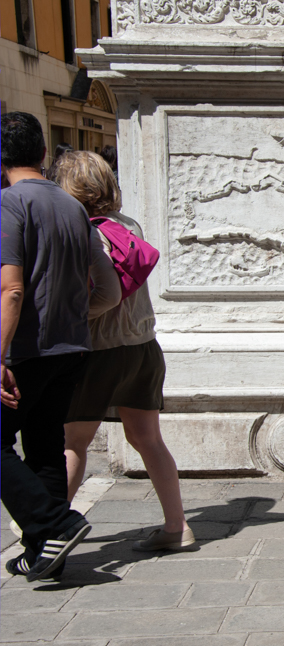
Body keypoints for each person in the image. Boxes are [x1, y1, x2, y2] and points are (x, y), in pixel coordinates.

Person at [55, 151, 195, 552]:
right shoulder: (127, 225)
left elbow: (105, 294)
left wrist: (76, 318)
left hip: (100, 350)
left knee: (73, 442)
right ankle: (177, 527)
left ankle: (47, 529)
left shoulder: (84, 230)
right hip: (143, 347)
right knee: (149, 439)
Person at [1, 113, 108, 581]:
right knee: (44, 447)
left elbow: (11, 290)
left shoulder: (9, 204)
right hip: (71, 346)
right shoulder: (72, 207)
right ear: (44, 153)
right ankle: (43, 550)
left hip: (26, 348)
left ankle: (56, 522)